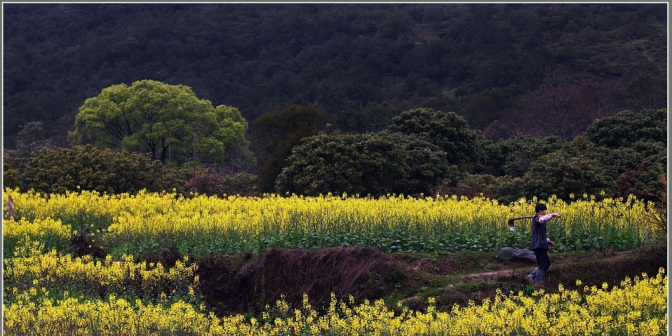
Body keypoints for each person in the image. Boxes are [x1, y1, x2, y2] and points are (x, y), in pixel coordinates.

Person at [526, 203, 560, 287]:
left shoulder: (540, 220)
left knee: (547, 263)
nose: (545, 212)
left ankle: (531, 276)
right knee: (543, 264)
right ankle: (538, 283)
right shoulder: (537, 219)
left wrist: (548, 241)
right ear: (540, 211)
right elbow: (542, 219)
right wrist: (552, 215)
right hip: (538, 245)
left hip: (542, 244)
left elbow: (541, 234)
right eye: (544, 210)